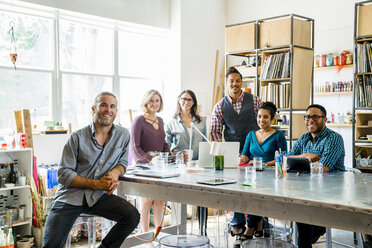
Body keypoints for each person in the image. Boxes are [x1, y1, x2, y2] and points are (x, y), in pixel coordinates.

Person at [43, 92, 140, 248]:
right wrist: (97, 185)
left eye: (112, 106)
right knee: (51, 244)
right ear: (93, 108)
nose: (108, 110)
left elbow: (122, 162)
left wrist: (114, 174)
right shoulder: (77, 137)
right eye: (103, 105)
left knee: (131, 216)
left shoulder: (123, 135)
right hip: (70, 197)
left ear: (116, 110)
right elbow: (63, 174)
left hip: (98, 197)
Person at [211, 66, 263, 240]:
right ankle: (237, 223)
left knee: (258, 188)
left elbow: (265, 121)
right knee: (235, 188)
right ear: (226, 83)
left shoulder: (255, 100)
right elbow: (216, 133)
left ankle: (259, 222)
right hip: (233, 152)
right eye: (231, 81)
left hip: (255, 151)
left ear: (242, 82)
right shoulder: (219, 106)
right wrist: (223, 152)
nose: (235, 84)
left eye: (237, 81)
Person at [288, 104, 345, 248]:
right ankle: (306, 235)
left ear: (325, 119)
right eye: (307, 117)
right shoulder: (304, 138)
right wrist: (305, 156)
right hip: (307, 188)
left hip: (331, 190)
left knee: (302, 209)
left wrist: (300, 162)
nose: (310, 120)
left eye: (315, 117)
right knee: (297, 205)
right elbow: (288, 159)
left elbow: (323, 167)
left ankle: (310, 234)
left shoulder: (334, 138)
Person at [233, 102, 287, 246]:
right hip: (252, 174)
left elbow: (283, 158)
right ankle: (259, 223)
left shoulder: (278, 136)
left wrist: (264, 164)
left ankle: (250, 227)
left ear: (272, 119)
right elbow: (245, 154)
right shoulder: (251, 135)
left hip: (271, 175)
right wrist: (241, 159)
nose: (261, 120)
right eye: (259, 117)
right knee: (243, 191)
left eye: (265, 117)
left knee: (253, 193)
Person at [165, 90, 208, 235]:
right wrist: (177, 156)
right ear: (179, 100)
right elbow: (167, 148)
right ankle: (178, 231)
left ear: (194, 102)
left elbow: (205, 144)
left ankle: (203, 231)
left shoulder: (201, 121)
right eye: (184, 99)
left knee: (203, 198)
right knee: (179, 198)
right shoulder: (171, 123)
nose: (187, 102)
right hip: (179, 167)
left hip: (198, 166)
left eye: (190, 100)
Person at [130, 89, 170, 233]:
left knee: (159, 201)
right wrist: (150, 160)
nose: (154, 104)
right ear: (146, 102)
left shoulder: (160, 120)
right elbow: (134, 147)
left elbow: (163, 143)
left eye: (157, 101)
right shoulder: (138, 120)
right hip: (144, 166)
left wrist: (170, 155)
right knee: (147, 201)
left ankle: (158, 235)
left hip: (160, 166)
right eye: (151, 100)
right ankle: (146, 236)